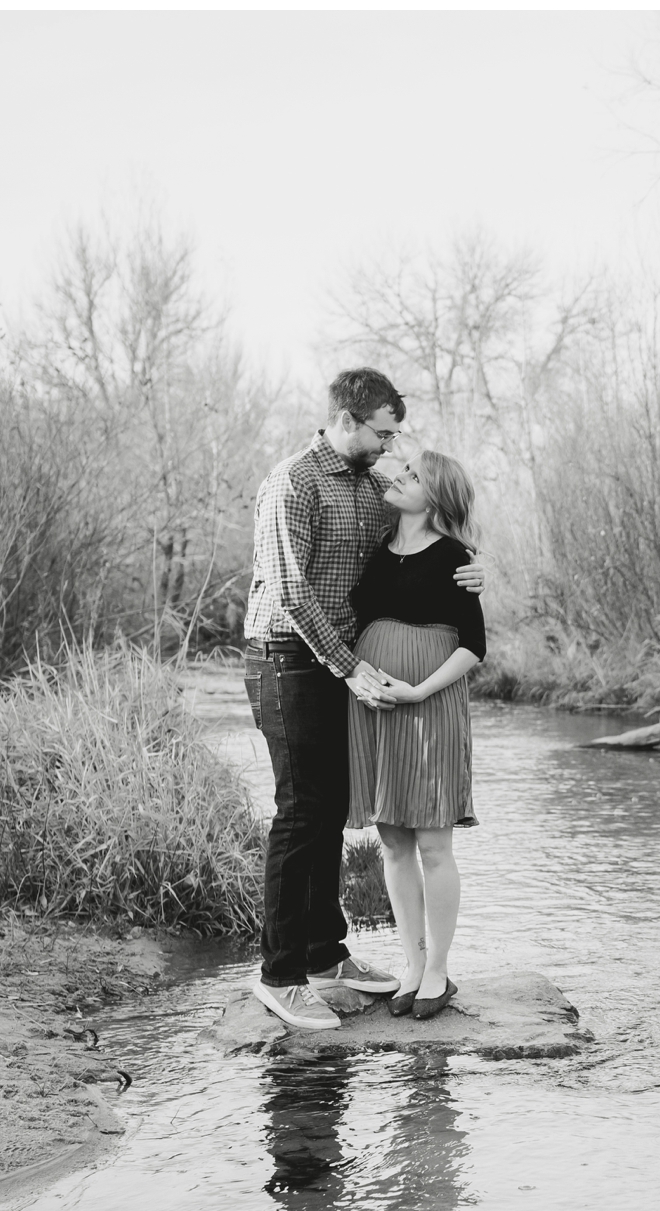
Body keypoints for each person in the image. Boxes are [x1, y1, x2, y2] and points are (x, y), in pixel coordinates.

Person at [244, 368, 484, 1031]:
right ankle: (282, 974)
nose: (389, 446)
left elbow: (431, 533)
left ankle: (326, 956)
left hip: (343, 666)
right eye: (382, 432)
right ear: (347, 421)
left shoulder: (372, 484)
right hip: (288, 658)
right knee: (300, 813)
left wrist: (474, 568)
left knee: (329, 812)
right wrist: (351, 668)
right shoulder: (293, 482)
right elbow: (292, 594)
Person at [346, 448, 486, 1019]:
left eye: (413, 477)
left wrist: (420, 689)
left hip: (428, 704)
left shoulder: (456, 556)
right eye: (399, 471)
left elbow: (474, 645)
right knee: (394, 842)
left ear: (435, 497)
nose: (398, 479)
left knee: (432, 843)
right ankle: (410, 961)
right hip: (375, 706)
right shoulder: (378, 544)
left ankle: (438, 970)